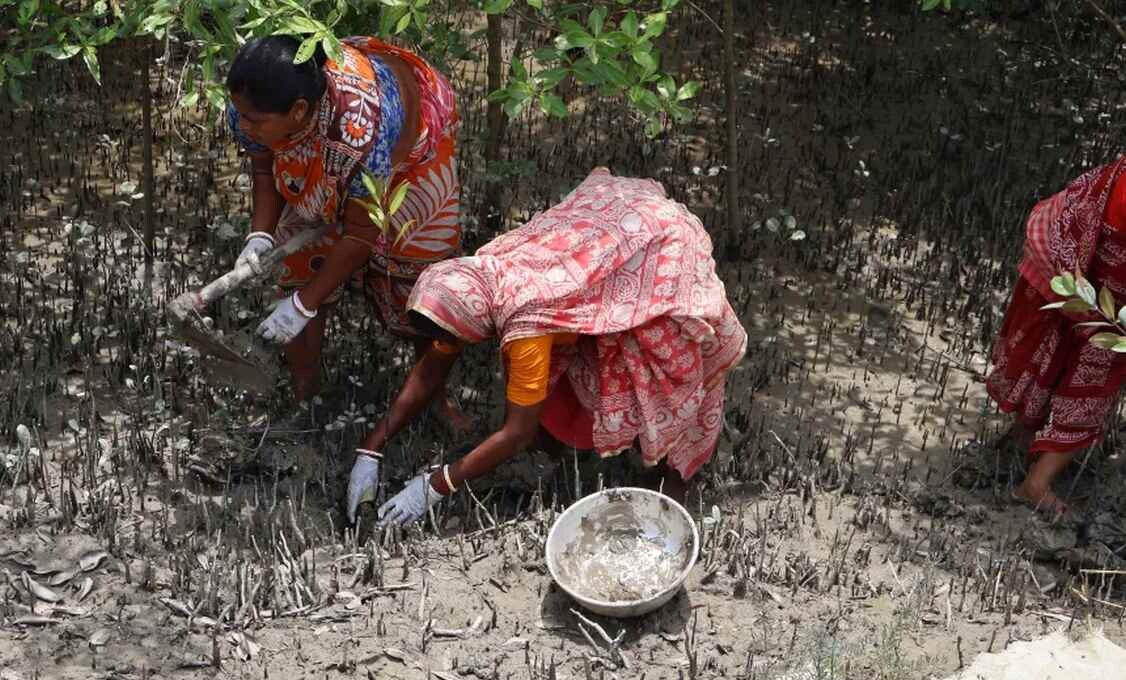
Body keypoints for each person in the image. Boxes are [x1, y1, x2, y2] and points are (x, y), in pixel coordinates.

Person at [345, 168, 748, 526]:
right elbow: (432, 367)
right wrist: (371, 450)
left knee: (657, 379)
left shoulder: (527, 331)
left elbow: (516, 432)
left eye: (450, 340)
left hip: (658, 252)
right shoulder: (474, 278)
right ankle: (558, 448)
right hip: (622, 225)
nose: (445, 348)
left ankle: (674, 483)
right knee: (557, 383)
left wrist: (434, 486)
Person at [225, 34, 467, 429]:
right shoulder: (249, 105)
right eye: (242, 116)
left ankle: (435, 398)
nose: (244, 126)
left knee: (421, 279)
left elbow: (360, 233)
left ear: (299, 111)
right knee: (300, 268)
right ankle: (305, 395)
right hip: (326, 150)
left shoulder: (362, 127)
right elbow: (263, 167)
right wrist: (260, 236)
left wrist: (303, 305)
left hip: (408, 150)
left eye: (255, 121)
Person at [986, 156, 1126, 516]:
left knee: (1054, 343)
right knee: (1095, 376)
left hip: (1073, 244)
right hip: (1103, 268)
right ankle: (1035, 483)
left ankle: (1021, 440)